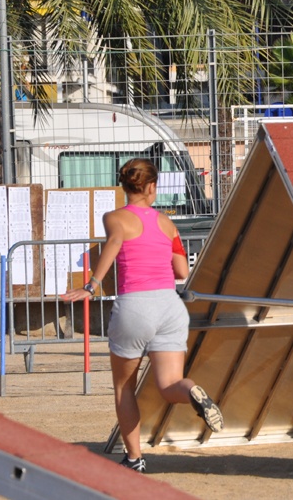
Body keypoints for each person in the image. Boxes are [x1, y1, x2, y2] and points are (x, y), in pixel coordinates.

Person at [61, 158, 223, 473]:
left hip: (136, 305)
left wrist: (92, 286)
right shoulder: (167, 223)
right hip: (170, 307)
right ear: (151, 187)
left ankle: (135, 459)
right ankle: (191, 390)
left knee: (124, 388)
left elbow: (114, 243)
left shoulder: (115, 218)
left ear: (126, 186)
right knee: (170, 384)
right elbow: (181, 270)